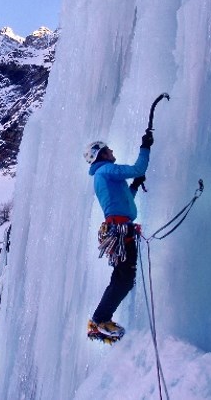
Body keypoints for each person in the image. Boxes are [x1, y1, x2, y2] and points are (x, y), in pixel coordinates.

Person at [84, 130, 153, 342]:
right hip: (121, 232)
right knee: (123, 279)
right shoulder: (106, 170)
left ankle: (101, 319)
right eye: (107, 149)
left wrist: (133, 186)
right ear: (101, 155)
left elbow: (124, 203)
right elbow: (138, 168)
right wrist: (145, 146)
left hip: (120, 230)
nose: (112, 151)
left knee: (122, 277)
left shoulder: (102, 174)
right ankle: (100, 320)